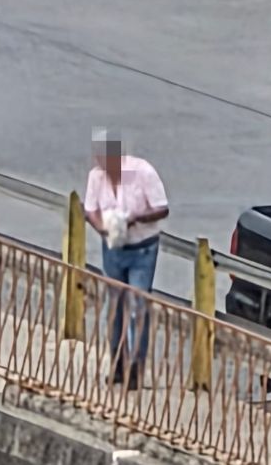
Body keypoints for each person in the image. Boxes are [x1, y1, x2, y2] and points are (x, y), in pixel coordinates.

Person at [83, 130, 169, 389]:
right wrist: (103, 228)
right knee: (116, 307)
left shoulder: (142, 173)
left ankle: (135, 368)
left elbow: (162, 208)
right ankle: (117, 364)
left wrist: (135, 219)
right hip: (114, 248)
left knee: (138, 307)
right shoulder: (96, 177)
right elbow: (90, 210)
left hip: (142, 248)